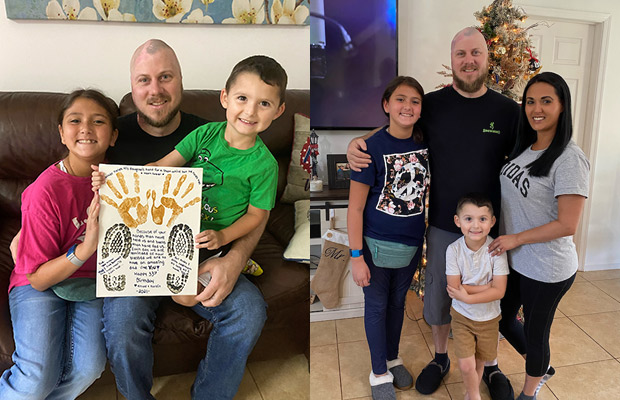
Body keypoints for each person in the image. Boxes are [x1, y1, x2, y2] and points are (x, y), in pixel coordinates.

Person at [347, 27, 519, 398]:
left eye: (476, 53)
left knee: (492, 295)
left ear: (487, 57)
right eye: (461, 54)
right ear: (452, 59)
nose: (469, 61)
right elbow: (397, 129)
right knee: (441, 297)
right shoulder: (433, 105)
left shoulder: (508, 112)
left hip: (491, 230)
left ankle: (491, 366)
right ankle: (441, 357)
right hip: (442, 226)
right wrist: (357, 143)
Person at [94, 55, 286, 308]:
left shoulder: (265, 165)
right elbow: (160, 167)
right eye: (242, 98)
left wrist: (223, 236)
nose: (250, 111)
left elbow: (256, 216)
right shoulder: (204, 134)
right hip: (179, 231)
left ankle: (240, 266)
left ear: (278, 111)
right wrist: (115, 179)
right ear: (225, 97)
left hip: (216, 240)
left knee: (184, 297)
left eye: (264, 103)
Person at [0, 89, 117, 399]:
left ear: (114, 135)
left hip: (88, 284)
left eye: (98, 121)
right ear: (62, 134)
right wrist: (83, 250)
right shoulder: (45, 191)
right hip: (39, 280)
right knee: (37, 377)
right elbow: (37, 278)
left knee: (90, 366)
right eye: (75, 120)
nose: (86, 129)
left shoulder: (123, 184)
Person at [488, 72, 589, 400]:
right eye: (531, 101)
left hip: (547, 268)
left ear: (562, 107)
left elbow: (567, 224)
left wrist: (515, 239)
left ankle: (530, 391)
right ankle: (540, 365)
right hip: (516, 261)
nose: (536, 109)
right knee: (502, 320)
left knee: (536, 333)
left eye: (547, 101)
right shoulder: (525, 147)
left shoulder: (569, 159)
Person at [348, 76, 429, 400]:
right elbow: (354, 208)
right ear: (386, 105)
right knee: (377, 306)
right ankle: (378, 371)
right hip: (374, 246)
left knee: (398, 305)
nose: (407, 106)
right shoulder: (369, 149)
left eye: (414, 101)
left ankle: (392, 358)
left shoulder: (425, 143)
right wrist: (356, 257)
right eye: (400, 99)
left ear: (422, 109)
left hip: (410, 245)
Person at [446, 193, 508, 400]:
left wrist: (468, 294)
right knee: (466, 364)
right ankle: (474, 395)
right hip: (462, 317)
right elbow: (454, 287)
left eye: (482, 219)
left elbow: (499, 291)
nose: (475, 226)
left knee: (480, 360)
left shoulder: (497, 250)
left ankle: (471, 393)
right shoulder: (453, 250)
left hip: (489, 319)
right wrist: (487, 287)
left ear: (492, 222)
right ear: (458, 221)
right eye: (469, 218)